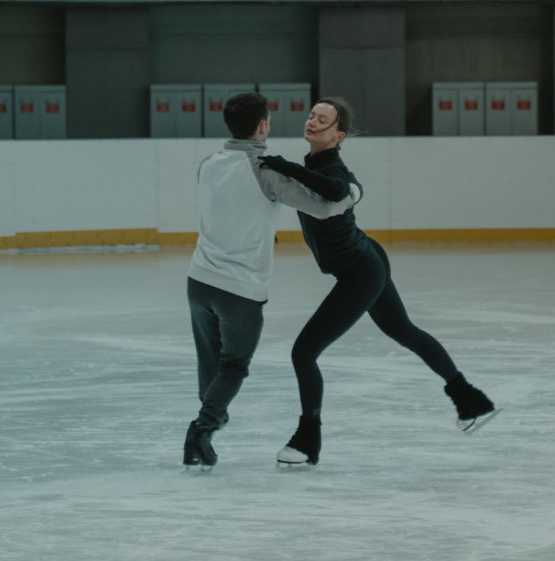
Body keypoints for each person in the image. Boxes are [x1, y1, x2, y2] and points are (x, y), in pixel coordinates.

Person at [260, 97, 496, 467]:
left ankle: (307, 440)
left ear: (338, 135)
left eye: (322, 121)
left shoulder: (331, 166)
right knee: (404, 331)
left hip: (360, 271)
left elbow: (336, 190)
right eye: (311, 116)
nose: (312, 123)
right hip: (365, 259)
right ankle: (470, 399)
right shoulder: (317, 163)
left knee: (304, 352)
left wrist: (285, 167)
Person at [183, 92, 358, 469]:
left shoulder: (208, 164)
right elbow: (327, 207)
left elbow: (232, 207)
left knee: (209, 361)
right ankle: (203, 428)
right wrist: (354, 192)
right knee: (233, 365)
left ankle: (212, 414)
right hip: (239, 290)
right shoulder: (266, 171)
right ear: (262, 126)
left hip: (198, 280)